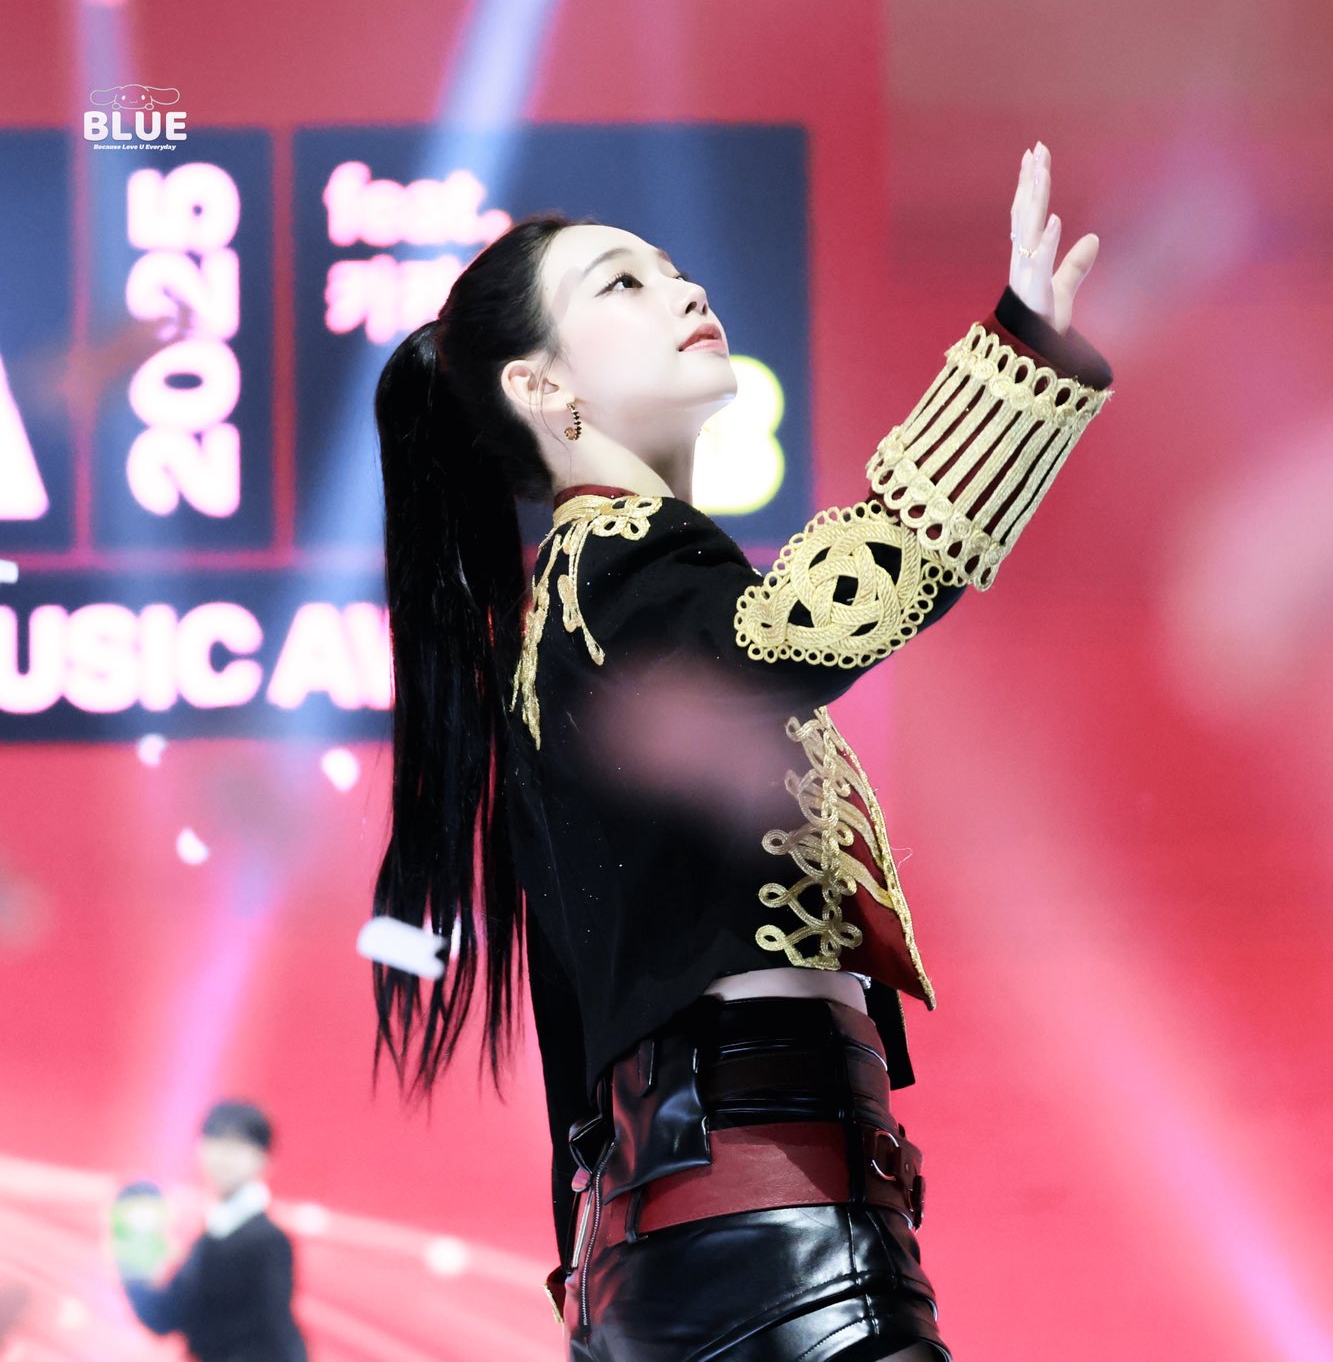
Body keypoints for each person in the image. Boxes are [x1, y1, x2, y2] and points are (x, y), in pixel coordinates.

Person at [368, 141, 1112, 1360]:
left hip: (709, 1252)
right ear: (542, 390)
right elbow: (813, 620)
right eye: (622, 283)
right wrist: (1013, 358)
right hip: (779, 1253)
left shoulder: (582, 606)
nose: (683, 289)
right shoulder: (615, 568)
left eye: (671, 268)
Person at [115, 1099, 309, 1362]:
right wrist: (133, 1259)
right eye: (216, 1140)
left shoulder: (268, 1241)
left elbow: (277, 1335)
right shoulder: (209, 1239)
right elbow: (165, 1316)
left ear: (263, 1159)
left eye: (237, 1145)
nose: (223, 1156)